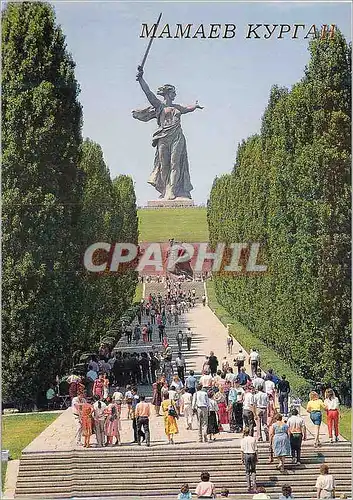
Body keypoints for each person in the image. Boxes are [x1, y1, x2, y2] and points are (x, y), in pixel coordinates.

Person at [240, 427, 258, 494]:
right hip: (253, 454)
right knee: (253, 470)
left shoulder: (243, 440)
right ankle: (254, 483)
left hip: (246, 455)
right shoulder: (253, 439)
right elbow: (256, 449)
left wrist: (242, 458)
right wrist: (257, 457)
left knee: (247, 471)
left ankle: (248, 485)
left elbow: (242, 450)